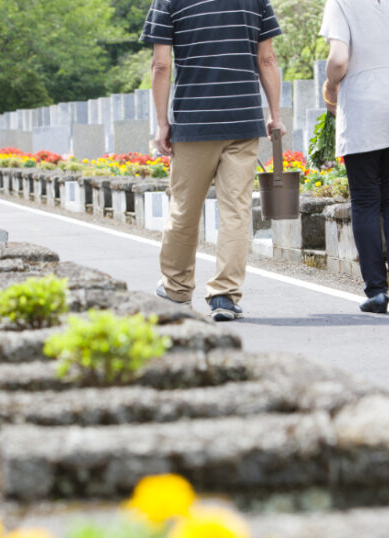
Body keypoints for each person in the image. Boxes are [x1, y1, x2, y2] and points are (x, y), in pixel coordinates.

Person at [142, 0, 285, 322]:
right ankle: (224, 295)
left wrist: (162, 123)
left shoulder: (168, 2)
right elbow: (267, 58)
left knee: (183, 210)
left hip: (195, 122)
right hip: (243, 120)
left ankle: (177, 290)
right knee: (235, 210)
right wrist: (275, 116)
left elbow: (161, 65)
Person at [319, 0, 389, 313]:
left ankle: (377, 292)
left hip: (364, 105)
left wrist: (330, 84)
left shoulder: (340, 2)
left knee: (366, 200)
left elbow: (339, 59)